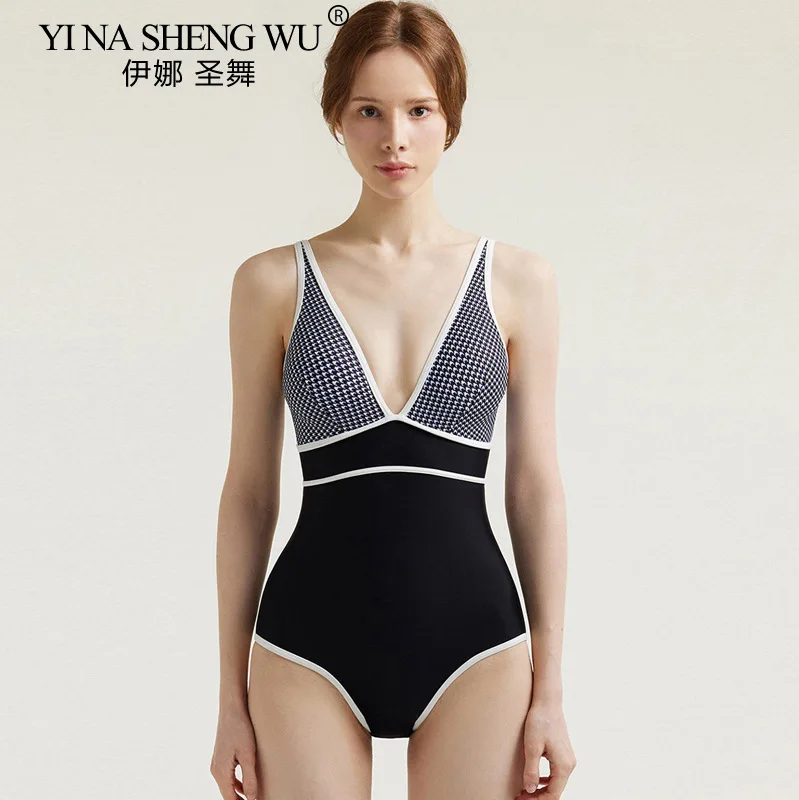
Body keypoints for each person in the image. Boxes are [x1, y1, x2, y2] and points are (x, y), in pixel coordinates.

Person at [210, 2, 576, 798]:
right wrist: (229, 699)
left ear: (451, 119)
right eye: (368, 111)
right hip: (305, 648)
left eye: (419, 110)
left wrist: (549, 691)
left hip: (477, 648)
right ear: (336, 118)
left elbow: (534, 488)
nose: (394, 139)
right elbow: (248, 494)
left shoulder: (519, 282)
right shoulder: (271, 284)